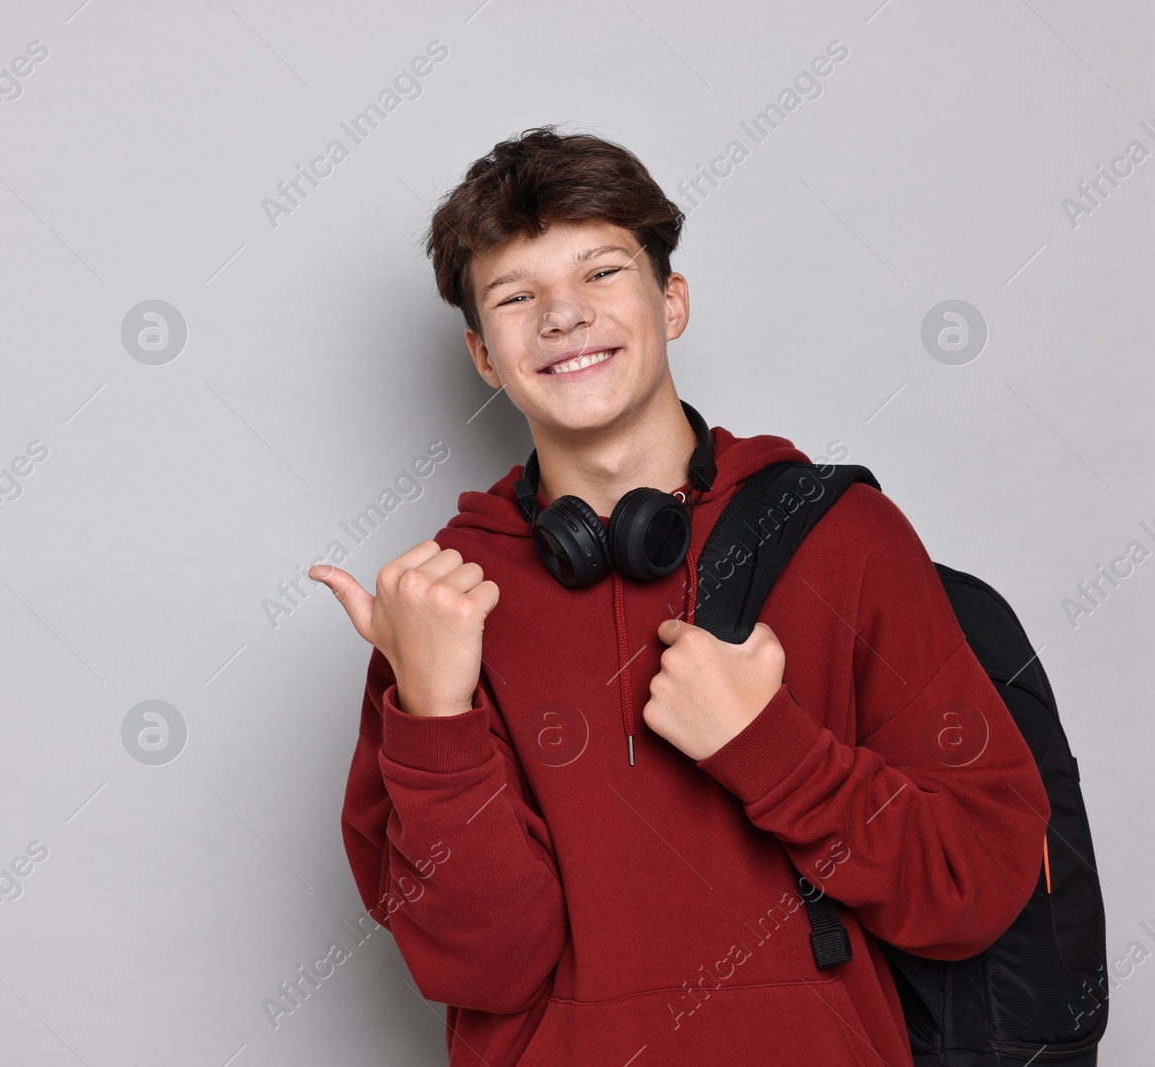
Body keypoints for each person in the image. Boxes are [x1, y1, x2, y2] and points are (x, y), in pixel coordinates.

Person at [308, 126, 1050, 1066]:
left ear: (673, 300)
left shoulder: (843, 537)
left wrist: (772, 751)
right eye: (516, 296)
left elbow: (976, 881)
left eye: (602, 273)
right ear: (484, 356)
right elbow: (484, 965)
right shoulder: (441, 606)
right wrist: (436, 712)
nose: (563, 317)